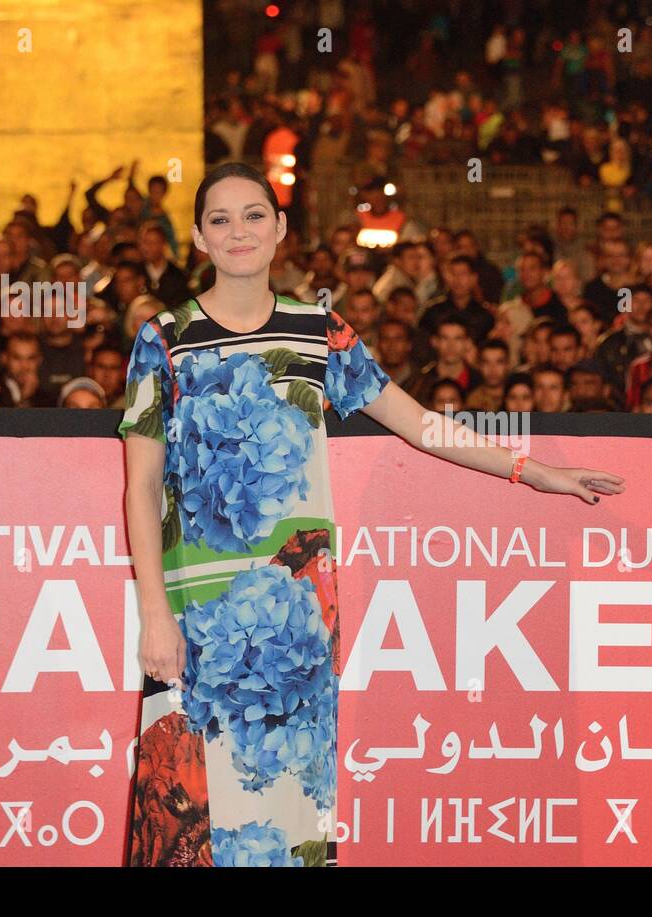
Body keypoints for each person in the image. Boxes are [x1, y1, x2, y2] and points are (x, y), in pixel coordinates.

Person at [119, 163, 625, 868]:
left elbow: (417, 424)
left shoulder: (319, 330)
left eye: (254, 215)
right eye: (221, 219)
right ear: (200, 238)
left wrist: (530, 469)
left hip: (295, 614)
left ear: (281, 229)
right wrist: (152, 612)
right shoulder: (164, 338)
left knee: (287, 807)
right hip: (192, 609)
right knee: (188, 820)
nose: (239, 232)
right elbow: (141, 486)